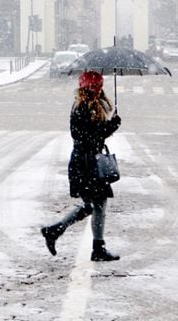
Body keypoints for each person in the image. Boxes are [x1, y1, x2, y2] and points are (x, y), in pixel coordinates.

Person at [40, 70, 123, 262]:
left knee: (95, 205)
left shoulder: (92, 105)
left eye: (99, 86)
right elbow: (86, 136)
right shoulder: (82, 107)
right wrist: (110, 127)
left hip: (87, 161)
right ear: (87, 88)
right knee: (93, 205)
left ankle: (61, 233)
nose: (98, 90)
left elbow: (94, 134)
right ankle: (60, 233)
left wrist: (109, 125)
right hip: (85, 163)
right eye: (94, 86)